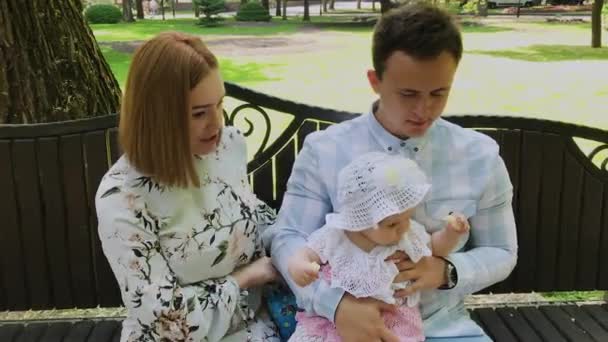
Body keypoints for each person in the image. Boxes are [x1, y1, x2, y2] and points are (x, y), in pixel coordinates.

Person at [265, 3, 518, 341]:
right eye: (408, 94)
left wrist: (447, 271)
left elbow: (503, 251)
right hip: (340, 328)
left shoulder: (480, 157)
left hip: (444, 327)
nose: (423, 110)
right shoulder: (325, 150)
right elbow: (288, 238)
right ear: (375, 81)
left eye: (438, 93)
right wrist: (334, 304)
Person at [96, 32, 280, 342]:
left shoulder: (227, 147)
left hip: (261, 326)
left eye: (220, 104)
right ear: (158, 117)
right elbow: (167, 322)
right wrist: (247, 278)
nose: (216, 123)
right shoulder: (123, 196)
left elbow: (248, 214)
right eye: (199, 113)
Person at [287, 152, 470, 342]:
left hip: (393, 318)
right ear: (361, 220)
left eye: (407, 218)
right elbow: (306, 253)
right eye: (392, 224)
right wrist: (300, 266)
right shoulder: (336, 235)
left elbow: (434, 247)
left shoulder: (407, 234)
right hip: (339, 318)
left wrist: (451, 233)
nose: (403, 227)